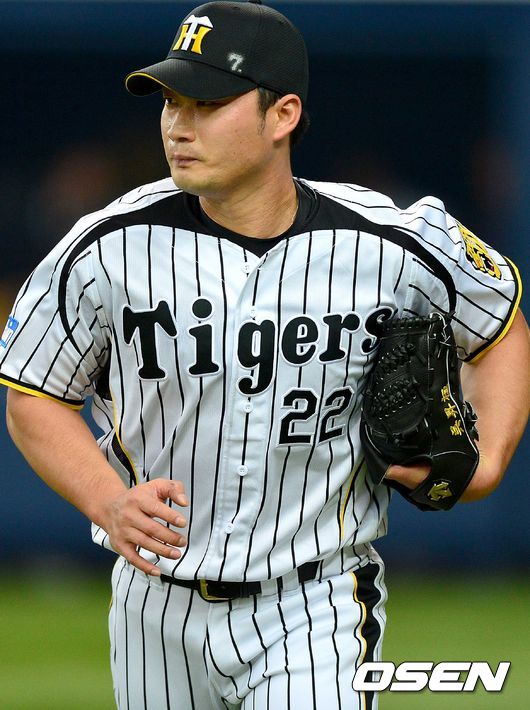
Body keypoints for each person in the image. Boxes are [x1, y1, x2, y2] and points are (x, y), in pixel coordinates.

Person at [1, 1, 528, 708]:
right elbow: (34, 395)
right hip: (154, 604)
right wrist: (108, 500)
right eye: (171, 102)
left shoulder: (392, 241)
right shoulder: (105, 247)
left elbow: (501, 325)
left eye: (207, 103)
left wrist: (488, 459)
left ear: (282, 115)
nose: (178, 125)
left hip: (316, 602)